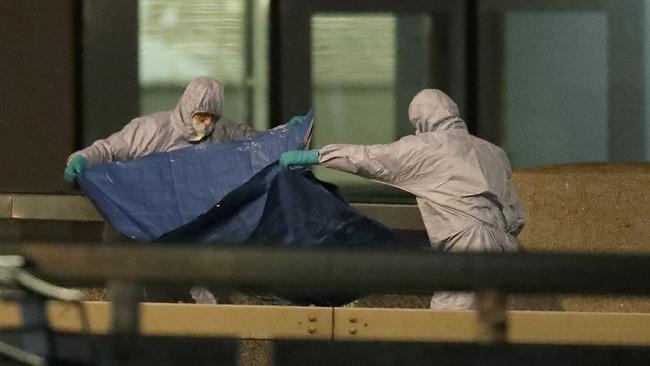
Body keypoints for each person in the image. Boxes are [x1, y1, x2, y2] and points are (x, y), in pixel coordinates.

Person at [280, 89, 526, 309]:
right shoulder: (494, 152)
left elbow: (369, 158)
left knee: (452, 328)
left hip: (467, 245)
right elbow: (516, 217)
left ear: (421, 119)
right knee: (500, 328)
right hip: (505, 251)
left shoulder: (428, 147)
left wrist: (318, 155)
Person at [64, 76, 256, 182]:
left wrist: (286, 135)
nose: (208, 124)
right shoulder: (152, 130)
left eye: (213, 118)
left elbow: (259, 143)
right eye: (202, 116)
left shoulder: (224, 132)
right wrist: (84, 158)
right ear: (188, 109)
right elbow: (109, 149)